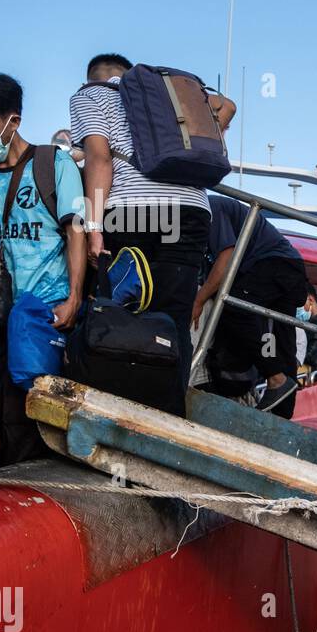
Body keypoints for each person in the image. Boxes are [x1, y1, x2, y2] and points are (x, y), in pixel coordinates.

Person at [69, 53, 235, 410]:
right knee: (173, 319)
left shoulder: (89, 95)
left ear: (91, 77)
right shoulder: (167, 93)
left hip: (131, 213)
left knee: (122, 315)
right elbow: (229, 106)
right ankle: (169, 416)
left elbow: (98, 159)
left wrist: (94, 227)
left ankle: (119, 413)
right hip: (190, 210)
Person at [0, 72, 86, 465]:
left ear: (13, 120)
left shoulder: (52, 164)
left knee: (42, 414)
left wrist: (74, 297)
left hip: (48, 311)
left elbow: (76, 231)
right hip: (1, 318)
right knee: (2, 412)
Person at [196, 194, 310, 417]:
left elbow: (226, 258)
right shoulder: (207, 215)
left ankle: (275, 378)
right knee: (277, 341)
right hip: (287, 268)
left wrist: (199, 300)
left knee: (234, 307)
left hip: (274, 264)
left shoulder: (210, 208)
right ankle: (282, 416)